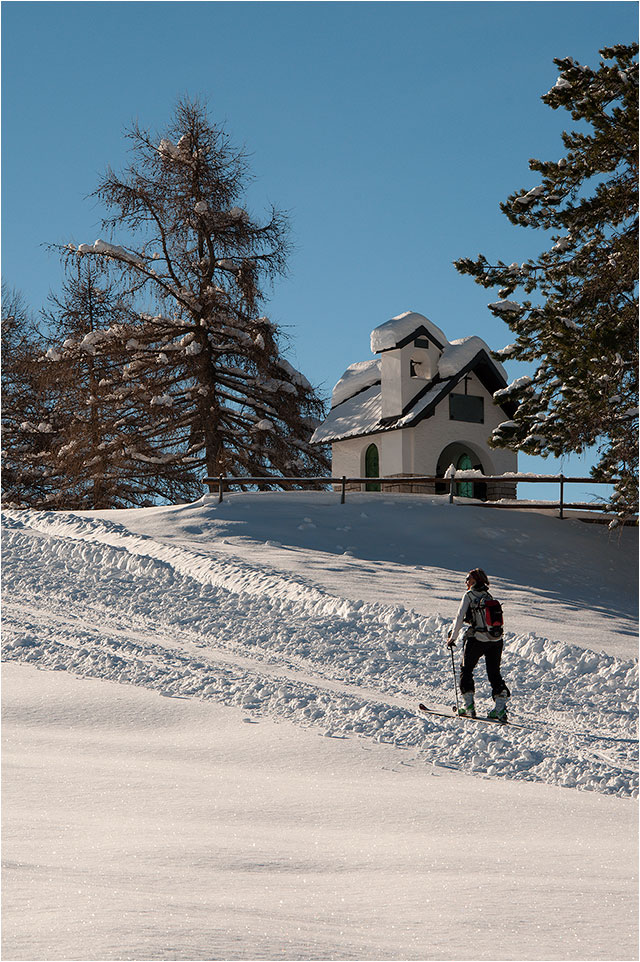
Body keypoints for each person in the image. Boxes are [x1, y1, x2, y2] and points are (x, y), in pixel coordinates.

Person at [447, 568, 510, 720]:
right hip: (496, 640)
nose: (466, 582)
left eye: (468, 579)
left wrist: (452, 638)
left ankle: (469, 706)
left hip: (477, 638)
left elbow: (459, 617)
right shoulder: (488, 596)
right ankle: (500, 708)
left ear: (474, 581)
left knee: (466, 669)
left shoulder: (469, 596)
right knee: (494, 672)